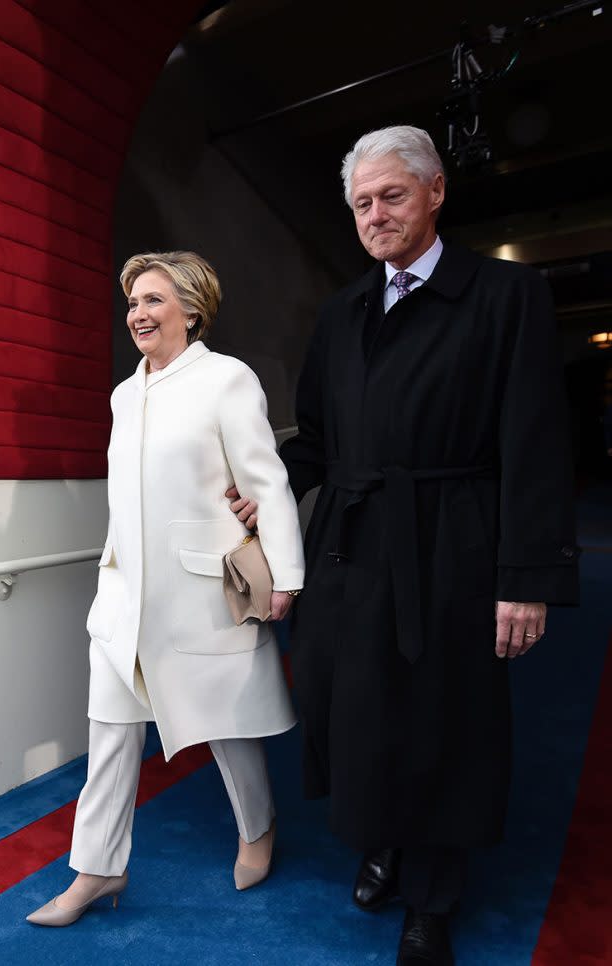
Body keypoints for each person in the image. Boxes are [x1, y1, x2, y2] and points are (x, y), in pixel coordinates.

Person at [228, 126, 578, 965]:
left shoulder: (503, 295)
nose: (375, 215)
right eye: (360, 204)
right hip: (349, 545)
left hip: (452, 543)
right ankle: (381, 840)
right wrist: (259, 485)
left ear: (434, 193)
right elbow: (315, 435)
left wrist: (524, 578)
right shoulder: (343, 311)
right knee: (352, 709)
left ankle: (433, 897)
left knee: (441, 722)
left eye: (390, 195)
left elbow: (535, 444)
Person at [27, 251, 304, 927]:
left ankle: (258, 828)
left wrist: (286, 575)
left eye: (153, 300)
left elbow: (266, 483)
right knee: (110, 738)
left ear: (191, 308)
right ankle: (95, 871)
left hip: (202, 595)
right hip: (123, 599)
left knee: (229, 732)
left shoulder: (226, 380)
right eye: (132, 303)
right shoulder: (126, 394)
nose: (138, 314)